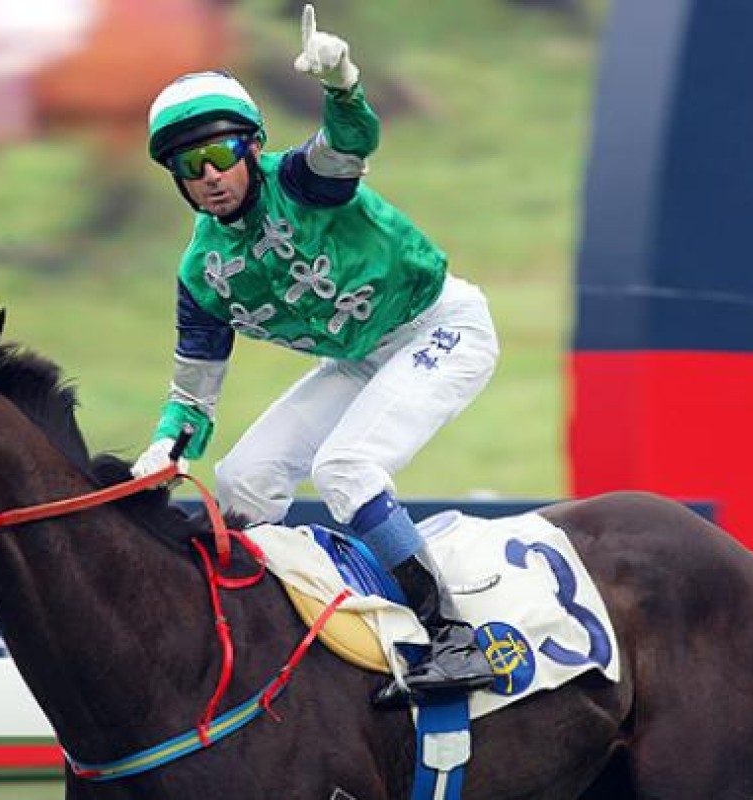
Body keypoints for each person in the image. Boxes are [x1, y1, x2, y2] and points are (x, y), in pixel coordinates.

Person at [132, 4, 499, 704]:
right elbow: (192, 399)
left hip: (439, 326)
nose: (210, 175)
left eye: (221, 154)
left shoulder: (301, 181)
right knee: (242, 483)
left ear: (253, 149)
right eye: (189, 164)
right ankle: (282, 639)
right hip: (360, 357)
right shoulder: (200, 275)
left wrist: (343, 84)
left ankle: (451, 636)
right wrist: (163, 452)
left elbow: (351, 139)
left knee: (346, 468)